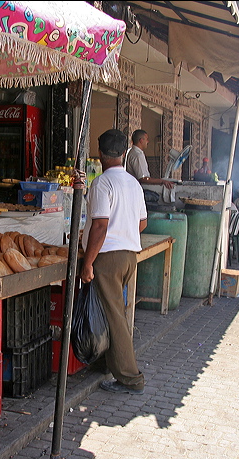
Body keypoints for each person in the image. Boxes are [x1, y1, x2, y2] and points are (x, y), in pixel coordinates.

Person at [81, 129, 147, 395]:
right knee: (114, 312)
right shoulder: (133, 183)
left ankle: (130, 378)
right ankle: (108, 362)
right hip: (129, 255)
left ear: (99, 153)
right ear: (123, 153)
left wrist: (88, 262)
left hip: (108, 257)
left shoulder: (102, 183)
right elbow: (142, 222)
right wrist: (125, 231)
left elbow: (99, 227)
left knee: (116, 318)